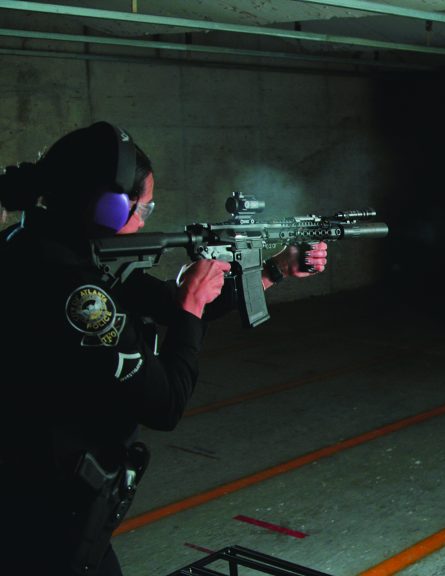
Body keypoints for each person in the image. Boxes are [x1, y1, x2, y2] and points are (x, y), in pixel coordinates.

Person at [0, 121, 328, 575]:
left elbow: (166, 304)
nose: (145, 220)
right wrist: (191, 302)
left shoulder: (37, 247)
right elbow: (165, 404)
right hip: (45, 522)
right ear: (108, 208)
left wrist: (273, 270)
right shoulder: (81, 296)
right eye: (143, 209)